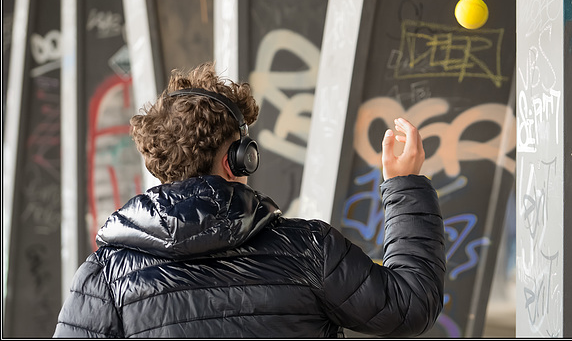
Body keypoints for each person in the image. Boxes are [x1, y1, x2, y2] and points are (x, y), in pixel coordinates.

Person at [53, 62, 446, 338]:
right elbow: (410, 304)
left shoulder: (104, 277)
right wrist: (404, 183)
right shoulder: (309, 251)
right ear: (239, 158)